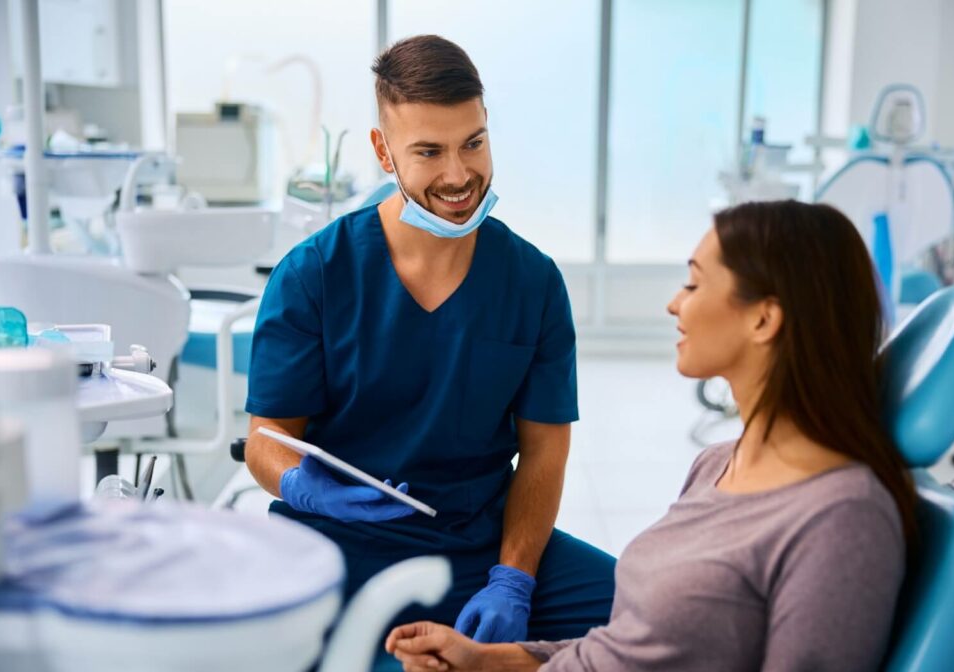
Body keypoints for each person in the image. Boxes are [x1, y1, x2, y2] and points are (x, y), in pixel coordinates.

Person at [385, 200, 917, 671]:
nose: (673, 304)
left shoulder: (842, 520)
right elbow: (628, 650)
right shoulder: (717, 465)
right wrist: (491, 662)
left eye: (693, 282)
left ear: (764, 320)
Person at [243, 34, 615, 654]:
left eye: (473, 142)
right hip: (340, 549)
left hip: (483, 545)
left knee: (656, 620)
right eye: (428, 151)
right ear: (383, 153)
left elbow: (545, 453)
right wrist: (304, 486)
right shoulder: (314, 275)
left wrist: (514, 578)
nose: (458, 174)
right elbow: (265, 439)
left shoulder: (532, 281)